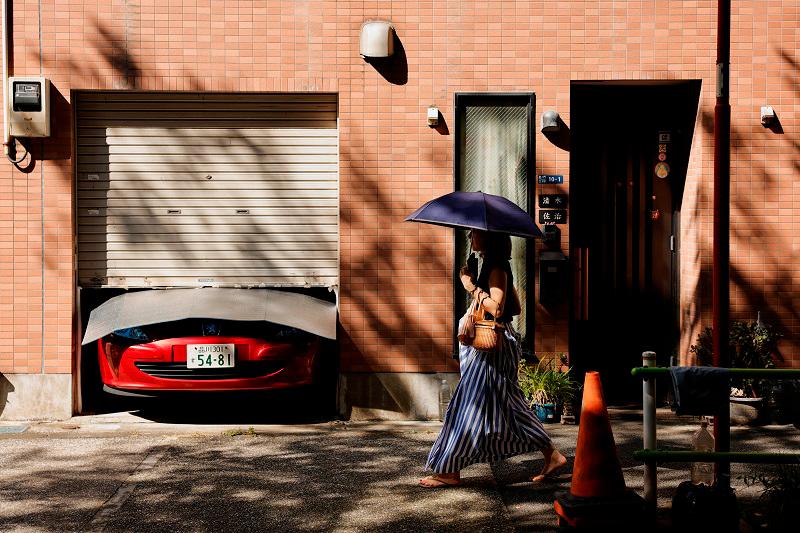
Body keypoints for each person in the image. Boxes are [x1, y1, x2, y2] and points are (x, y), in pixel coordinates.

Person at [419, 228, 567, 488]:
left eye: (473, 233)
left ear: (489, 237)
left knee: (469, 404)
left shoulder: (497, 267)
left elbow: (497, 307)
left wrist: (471, 286)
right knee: (508, 402)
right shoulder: (495, 267)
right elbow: (516, 308)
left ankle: (450, 470)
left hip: (492, 349)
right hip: (498, 346)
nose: (469, 237)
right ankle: (552, 455)